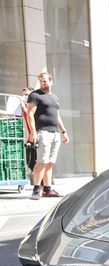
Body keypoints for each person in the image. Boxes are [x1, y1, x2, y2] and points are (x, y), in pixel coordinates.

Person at [26, 72, 68, 200]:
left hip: (55, 133)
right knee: (41, 161)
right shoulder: (35, 95)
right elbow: (30, 114)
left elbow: (57, 116)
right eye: (41, 81)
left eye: (45, 81)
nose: (43, 83)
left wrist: (64, 132)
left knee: (50, 162)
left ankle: (47, 189)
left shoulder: (54, 97)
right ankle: (36, 190)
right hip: (43, 132)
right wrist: (33, 132)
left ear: (51, 81)